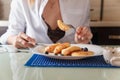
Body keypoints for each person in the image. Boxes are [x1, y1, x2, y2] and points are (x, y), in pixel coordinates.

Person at [0, 0, 93, 49]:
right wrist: (15, 40)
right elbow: (11, 34)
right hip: (34, 63)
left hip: (71, 62)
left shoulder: (83, 1)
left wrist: (83, 39)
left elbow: (84, 36)